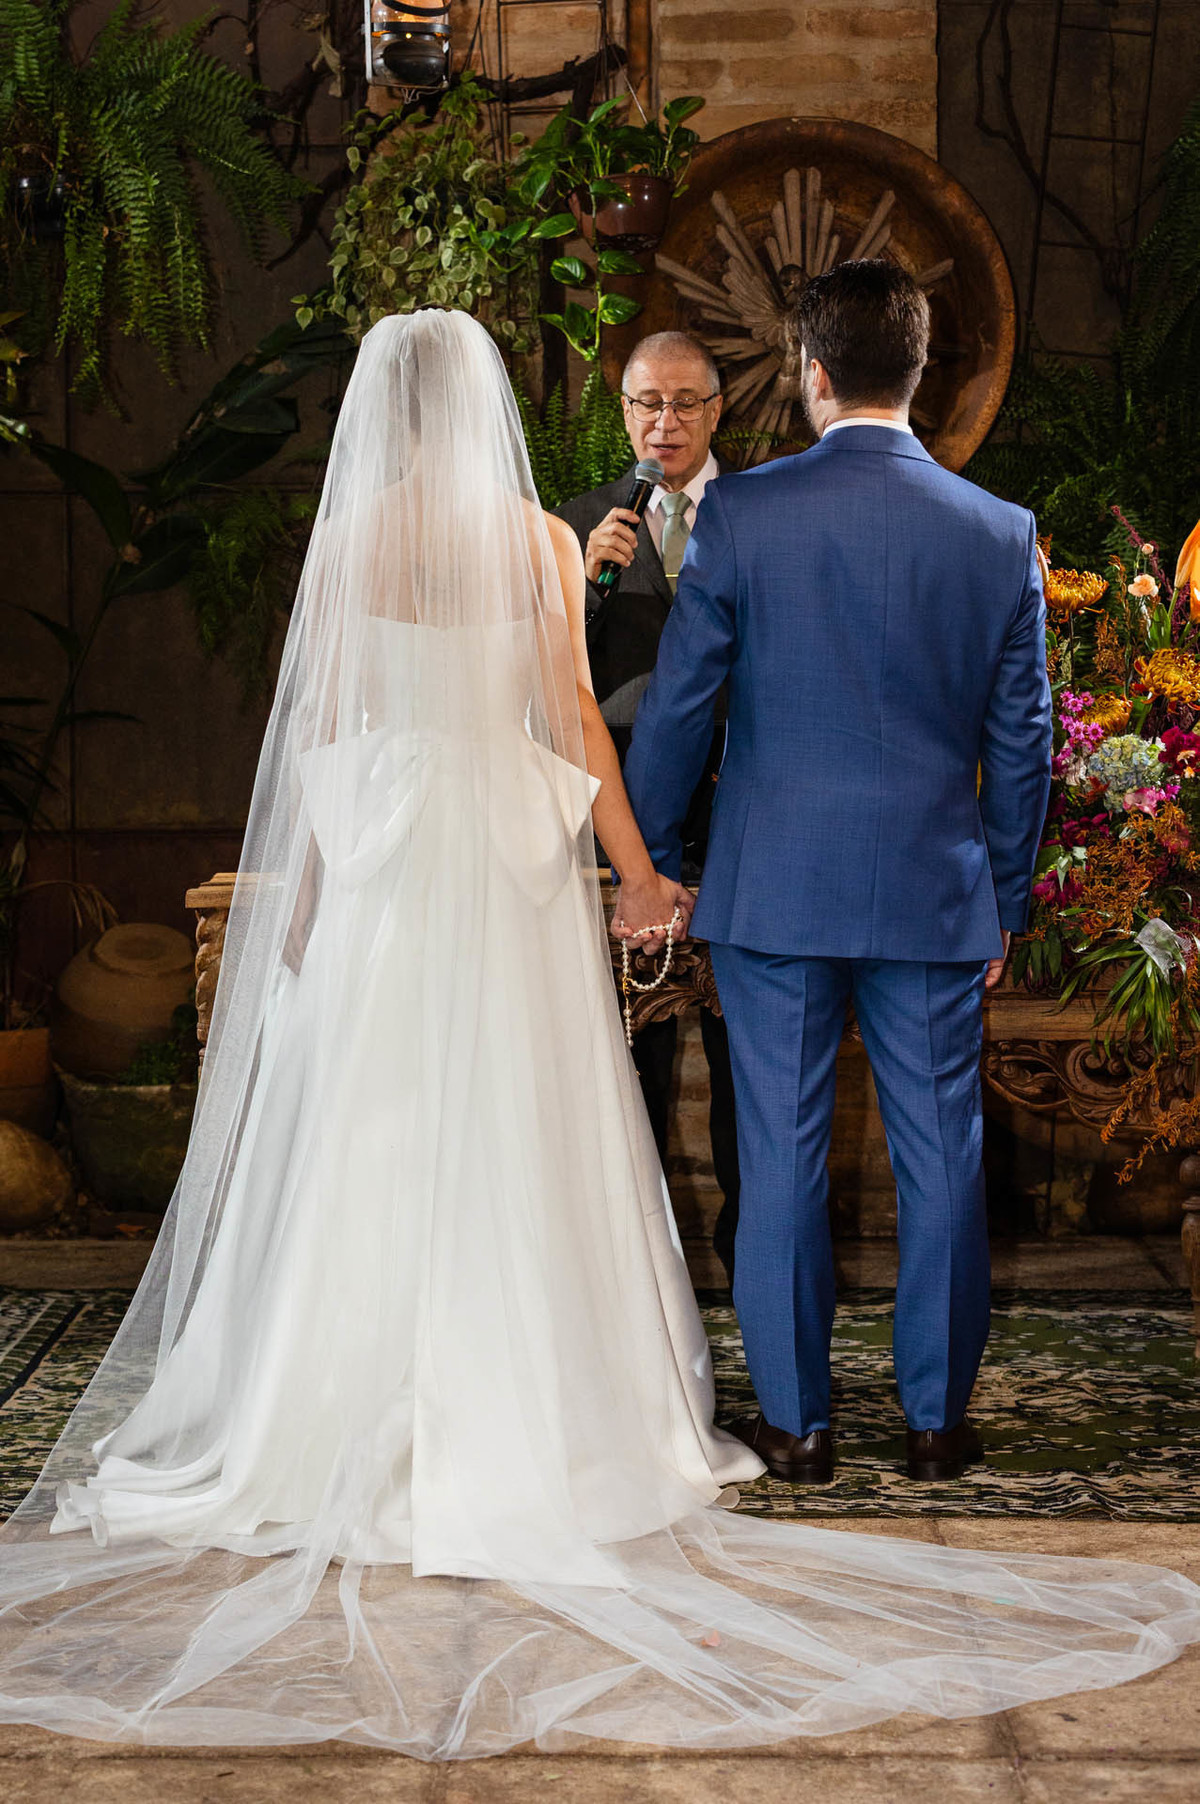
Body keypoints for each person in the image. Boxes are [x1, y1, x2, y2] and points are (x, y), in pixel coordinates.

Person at [0, 309, 1197, 1760]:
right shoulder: (572, 540)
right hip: (625, 870)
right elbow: (585, 716)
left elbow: (349, 725)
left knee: (420, 1125)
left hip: (430, 860)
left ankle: (751, 1424)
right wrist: (649, 869)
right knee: (586, 1125)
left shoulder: (384, 538)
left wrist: (327, 894)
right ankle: (909, 1425)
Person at [624, 260, 1053, 1488]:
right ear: (918, 373)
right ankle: (934, 1424)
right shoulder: (999, 533)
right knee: (943, 1158)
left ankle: (802, 1429)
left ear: (809, 373)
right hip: (931, 893)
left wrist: (650, 864)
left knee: (783, 1153)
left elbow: (683, 713)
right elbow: (1022, 746)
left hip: (774, 890)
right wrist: (1005, 897)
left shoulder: (745, 517)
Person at [554, 332, 741, 1281]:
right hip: (619, 814)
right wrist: (586, 583)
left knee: (745, 1068)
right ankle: (636, 1278)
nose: (662, 423)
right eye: (643, 405)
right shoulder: (580, 521)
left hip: (737, 811)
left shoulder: (758, 511)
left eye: (682, 403)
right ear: (622, 411)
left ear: (717, 409)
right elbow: (550, 680)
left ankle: (747, 1260)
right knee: (633, 1062)